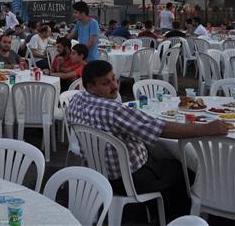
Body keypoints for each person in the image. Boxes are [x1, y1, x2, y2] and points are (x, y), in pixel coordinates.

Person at [67, 60, 229, 221]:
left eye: (114, 79)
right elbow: (161, 129)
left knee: (162, 155)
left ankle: (157, 209)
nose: (115, 86)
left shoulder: (76, 101)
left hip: (98, 171)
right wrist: (205, 129)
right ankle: (179, 219)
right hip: (130, 178)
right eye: (106, 83)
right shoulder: (112, 110)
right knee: (185, 171)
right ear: (91, 87)